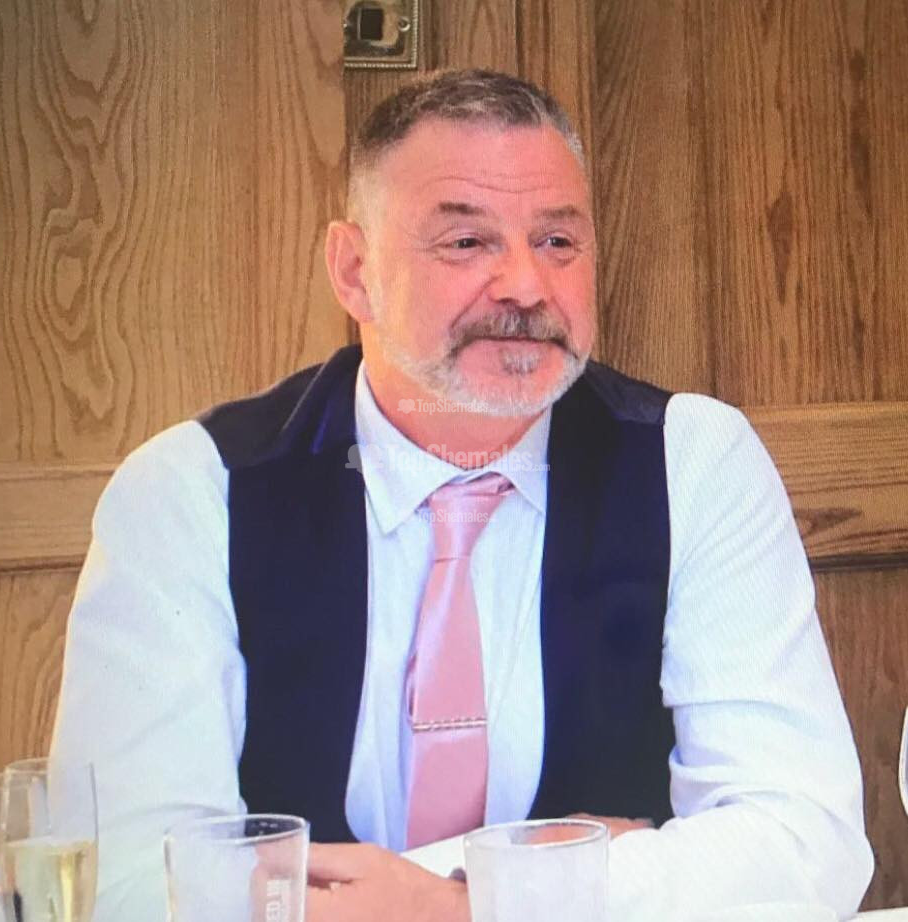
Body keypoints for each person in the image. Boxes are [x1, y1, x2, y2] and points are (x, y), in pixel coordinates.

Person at [51, 69, 873, 921]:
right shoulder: (193, 490)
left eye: (557, 241)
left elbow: (804, 844)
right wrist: (579, 871)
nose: (526, 285)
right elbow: (128, 884)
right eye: (467, 242)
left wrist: (461, 904)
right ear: (353, 271)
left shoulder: (691, 459)